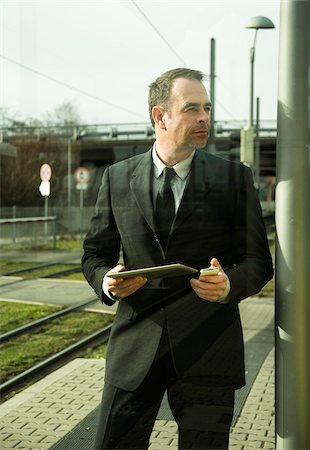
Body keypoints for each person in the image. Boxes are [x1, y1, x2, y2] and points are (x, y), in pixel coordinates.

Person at [82, 67, 273, 450]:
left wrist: (229, 285)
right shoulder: (117, 178)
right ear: (160, 117)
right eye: (191, 109)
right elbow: (95, 254)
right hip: (135, 350)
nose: (204, 118)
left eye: (207, 108)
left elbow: (258, 261)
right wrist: (106, 280)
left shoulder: (235, 178)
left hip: (209, 351)